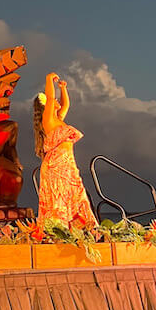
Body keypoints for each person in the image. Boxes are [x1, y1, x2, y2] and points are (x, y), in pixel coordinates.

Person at [34, 72, 97, 228]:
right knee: (59, 201)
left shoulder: (59, 120)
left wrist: (62, 89)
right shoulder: (48, 120)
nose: (56, 100)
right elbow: (50, 98)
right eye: (54, 99)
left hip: (68, 165)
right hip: (56, 166)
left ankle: (81, 230)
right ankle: (59, 232)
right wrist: (48, 79)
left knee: (77, 196)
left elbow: (66, 105)